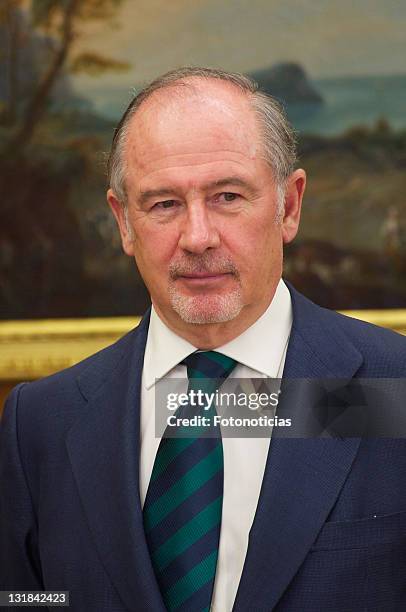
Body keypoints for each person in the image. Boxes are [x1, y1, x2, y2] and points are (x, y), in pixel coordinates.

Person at [1, 67, 406, 612]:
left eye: (228, 196)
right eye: (163, 204)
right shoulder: (40, 423)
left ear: (289, 206)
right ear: (124, 222)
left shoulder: (393, 392)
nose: (197, 237)